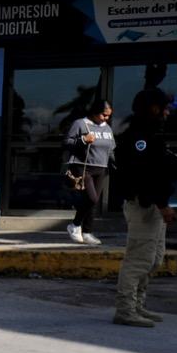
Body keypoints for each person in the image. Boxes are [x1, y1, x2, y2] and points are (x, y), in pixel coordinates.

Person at [113, 88, 177, 327]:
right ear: (153, 108)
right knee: (139, 259)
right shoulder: (139, 136)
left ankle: (138, 305)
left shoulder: (152, 133)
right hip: (145, 205)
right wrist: (162, 205)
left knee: (154, 259)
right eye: (163, 107)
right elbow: (144, 176)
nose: (167, 111)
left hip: (155, 205)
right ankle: (126, 309)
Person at [63, 101, 115, 245]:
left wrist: (116, 164)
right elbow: (67, 142)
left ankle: (87, 232)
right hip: (83, 167)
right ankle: (74, 225)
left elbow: (111, 149)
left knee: (92, 202)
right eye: (104, 115)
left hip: (101, 168)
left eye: (109, 116)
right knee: (92, 199)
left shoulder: (107, 128)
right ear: (95, 112)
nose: (106, 118)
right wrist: (83, 140)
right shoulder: (80, 124)